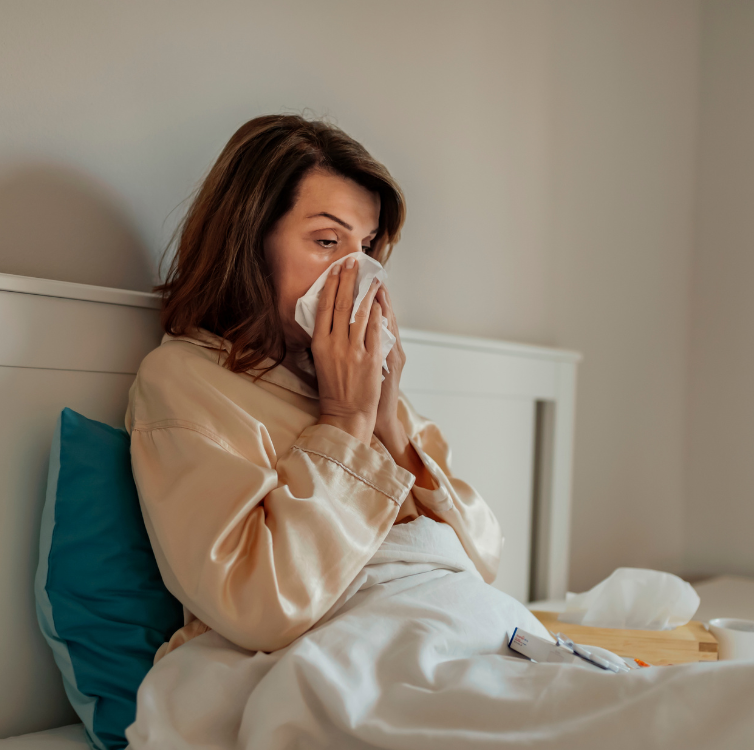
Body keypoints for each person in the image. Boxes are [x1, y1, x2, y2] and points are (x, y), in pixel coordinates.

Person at [124, 114, 503, 659]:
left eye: (367, 247)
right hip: (337, 660)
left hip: (456, 634)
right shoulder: (184, 381)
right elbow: (257, 606)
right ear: (249, 243)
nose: (356, 273)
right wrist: (346, 421)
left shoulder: (362, 382)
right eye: (327, 240)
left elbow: (483, 561)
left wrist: (388, 423)